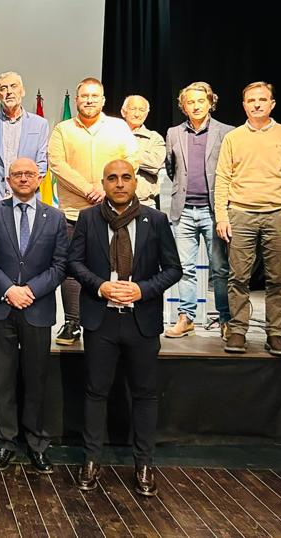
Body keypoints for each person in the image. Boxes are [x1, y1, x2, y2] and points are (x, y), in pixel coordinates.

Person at [68, 159, 181, 498]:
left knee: (145, 394)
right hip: (101, 319)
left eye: (125, 178)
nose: (119, 183)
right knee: (95, 392)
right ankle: (91, 460)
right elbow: (74, 262)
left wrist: (143, 289)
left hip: (141, 320)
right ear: (103, 183)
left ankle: (144, 464)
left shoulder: (156, 220)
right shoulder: (88, 219)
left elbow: (173, 269)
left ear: (135, 182)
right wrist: (100, 286)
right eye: (112, 178)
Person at [0, 157, 68, 475]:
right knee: (2, 379)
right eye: (16, 174)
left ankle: (36, 445)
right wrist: (8, 289)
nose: (23, 179)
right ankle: (5, 442)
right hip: (0, 307)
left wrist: (29, 290)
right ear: (7, 180)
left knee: (36, 380)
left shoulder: (55, 217)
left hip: (37, 307)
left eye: (29, 174)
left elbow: (60, 264)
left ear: (39, 177)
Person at [215, 82, 281, 356]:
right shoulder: (233, 138)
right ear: (243, 105)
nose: (256, 104)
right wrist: (222, 216)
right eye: (251, 100)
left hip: (277, 214)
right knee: (238, 277)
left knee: (277, 278)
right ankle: (238, 330)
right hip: (240, 213)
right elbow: (222, 179)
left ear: (272, 104)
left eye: (262, 99)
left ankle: (275, 334)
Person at [47, 77, 138, 346]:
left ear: (103, 100)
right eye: (84, 96)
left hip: (112, 212)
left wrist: (104, 188)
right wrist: (89, 189)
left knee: (114, 266)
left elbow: (131, 160)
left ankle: (112, 319)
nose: (88, 100)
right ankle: (73, 322)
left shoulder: (119, 127)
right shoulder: (62, 130)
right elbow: (57, 164)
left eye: (94, 96)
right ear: (76, 100)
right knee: (72, 269)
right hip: (73, 212)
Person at [164, 82, 235, 339]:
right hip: (183, 211)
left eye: (200, 101)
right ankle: (187, 317)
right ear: (183, 106)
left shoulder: (227, 132)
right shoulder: (173, 133)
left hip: (214, 211)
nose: (195, 106)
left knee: (219, 268)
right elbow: (171, 169)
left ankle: (226, 319)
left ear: (210, 103)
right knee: (185, 268)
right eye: (190, 102)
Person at [0, 71, 50, 206]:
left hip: (28, 201)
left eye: (13, 86)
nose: (8, 92)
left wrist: (23, 195)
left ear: (23, 91)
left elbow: (42, 164)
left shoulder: (40, 124)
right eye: (3, 88)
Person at [120, 95, 166, 209]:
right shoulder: (112, 134)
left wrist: (126, 152)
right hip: (113, 202)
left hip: (145, 203)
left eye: (142, 110)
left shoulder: (154, 138)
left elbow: (156, 163)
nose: (137, 114)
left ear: (146, 114)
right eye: (132, 109)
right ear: (123, 112)